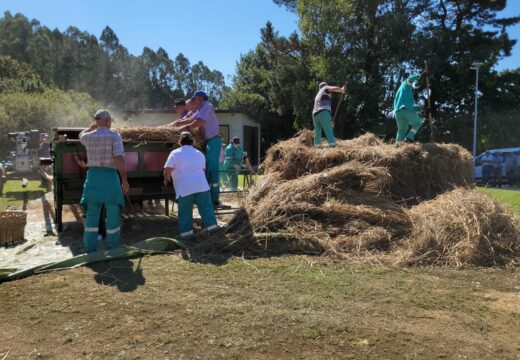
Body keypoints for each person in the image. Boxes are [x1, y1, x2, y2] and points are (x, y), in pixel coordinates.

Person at [79, 110, 129, 252]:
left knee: (92, 213)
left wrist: (91, 127)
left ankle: (90, 247)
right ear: (107, 121)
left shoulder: (87, 137)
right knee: (113, 212)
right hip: (110, 177)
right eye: (110, 120)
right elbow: (119, 158)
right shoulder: (114, 136)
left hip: (93, 177)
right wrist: (124, 180)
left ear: (97, 121)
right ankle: (112, 246)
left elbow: (80, 135)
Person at [170, 90, 227, 209]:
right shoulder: (201, 108)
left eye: (194, 99)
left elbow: (200, 122)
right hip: (209, 141)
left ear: (200, 98)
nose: (194, 102)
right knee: (207, 169)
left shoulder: (207, 106)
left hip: (213, 140)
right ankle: (208, 198)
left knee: (211, 169)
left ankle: (214, 200)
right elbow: (191, 119)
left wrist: (186, 128)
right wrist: (177, 124)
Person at [163, 131, 218, 238]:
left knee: (185, 212)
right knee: (206, 208)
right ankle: (213, 231)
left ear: (180, 141)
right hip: (202, 186)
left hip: (185, 188)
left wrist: (166, 178)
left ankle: (187, 235)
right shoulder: (199, 153)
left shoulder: (175, 153)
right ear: (192, 142)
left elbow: (167, 168)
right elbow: (202, 169)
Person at [393, 72, 428, 147]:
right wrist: (420, 75)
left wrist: (422, 108)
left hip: (398, 112)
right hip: (404, 109)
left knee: (402, 130)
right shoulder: (406, 86)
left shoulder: (405, 95)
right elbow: (410, 79)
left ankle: (397, 148)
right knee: (418, 122)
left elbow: (412, 107)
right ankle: (409, 137)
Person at [312, 82, 346, 148]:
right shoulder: (324, 88)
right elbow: (332, 88)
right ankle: (332, 148)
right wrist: (341, 89)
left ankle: (317, 148)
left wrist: (329, 121)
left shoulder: (318, 94)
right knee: (329, 131)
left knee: (317, 133)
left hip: (315, 115)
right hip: (323, 112)